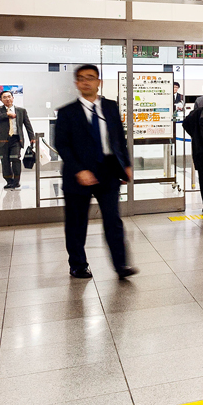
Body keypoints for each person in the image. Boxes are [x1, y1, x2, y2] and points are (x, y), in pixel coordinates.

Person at [52, 64, 136, 280]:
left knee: (113, 219)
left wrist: (125, 164)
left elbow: (118, 137)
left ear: (99, 82)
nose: (86, 81)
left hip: (108, 170)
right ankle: (78, 265)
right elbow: (62, 145)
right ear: (76, 83)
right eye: (81, 78)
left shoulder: (110, 106)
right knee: (77, 222)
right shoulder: (66, 112)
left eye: (91, 77)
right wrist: (79, 170)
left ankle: (121, 265)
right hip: (77, 174)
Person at [0, 89, 35, 190]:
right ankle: (9, 181)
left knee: (15, 158)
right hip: (2, 140)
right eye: (4, 97)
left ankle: (16, 181)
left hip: (16, 139)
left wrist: (32, 138)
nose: (7, 99)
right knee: (5, 161)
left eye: (9, 96)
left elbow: (27, 125)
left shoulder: (21, 110)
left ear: (13, 98)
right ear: (1, 100)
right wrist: (6, 114)